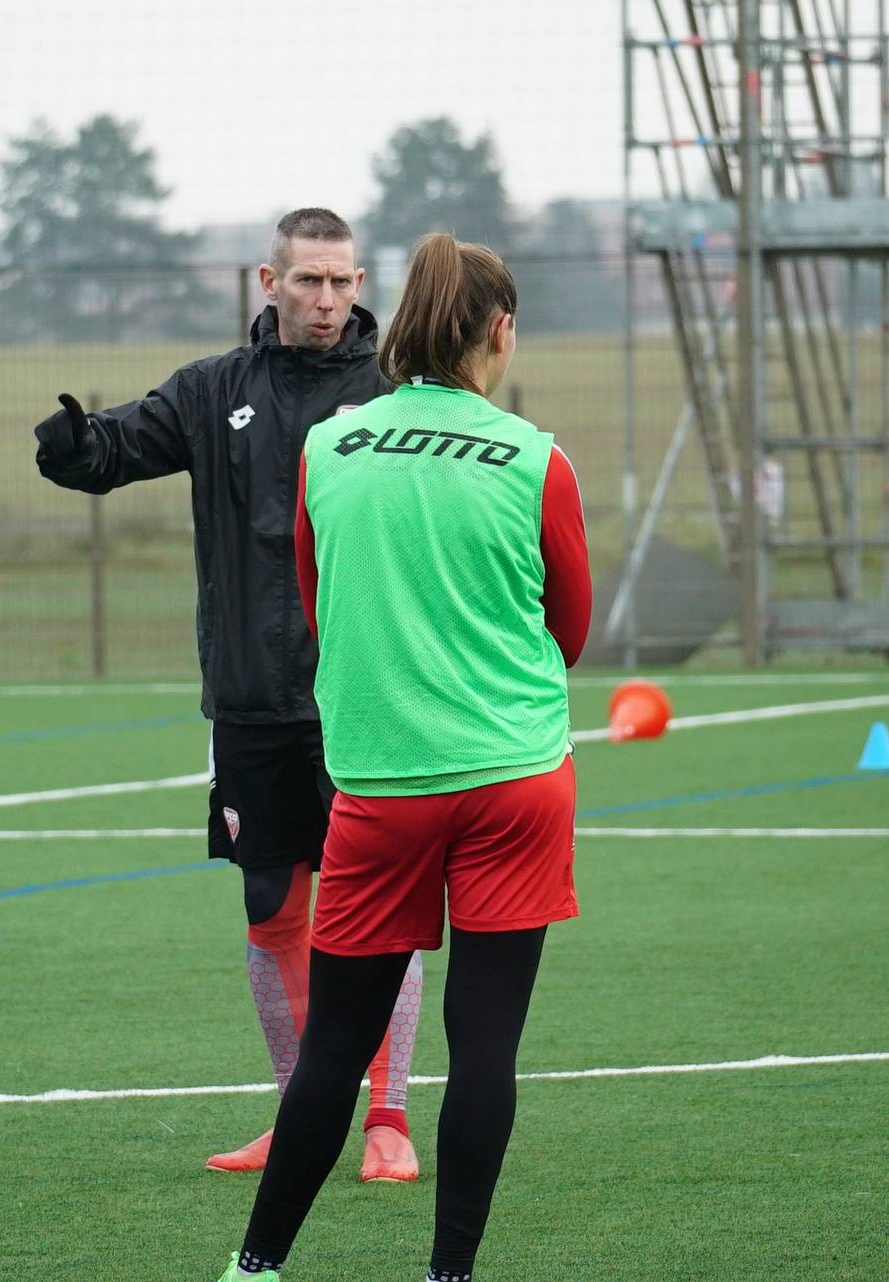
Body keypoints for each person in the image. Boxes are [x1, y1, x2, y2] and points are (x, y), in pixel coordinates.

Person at [213, 233, 591, 1282]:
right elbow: (569, 630)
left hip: (381, 785)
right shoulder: (537, 458)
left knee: (335, 1046)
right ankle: (449, 1275)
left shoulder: (329, 448)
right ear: (499, 330)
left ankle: (256, 1267)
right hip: (515, 778)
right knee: (486, 1047)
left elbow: (320, 603)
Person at [33, 208, 424, 1182]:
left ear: (360, 282)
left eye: (342, 282)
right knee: (269, 906)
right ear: (268, 280)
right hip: (250, 700)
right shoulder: (215, 391)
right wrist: (73, 444)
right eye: (309, 281)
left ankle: (388, 1119)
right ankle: (301, 1114)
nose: (327, 300)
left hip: (366, 699)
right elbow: (116, 449)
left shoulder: (394, 392)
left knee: (379, 909)